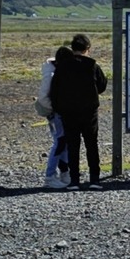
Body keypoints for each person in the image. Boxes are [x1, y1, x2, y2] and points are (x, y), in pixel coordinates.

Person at [49, 33, 108, 188]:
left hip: (68, 112)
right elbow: (102, 85)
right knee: (91, 144)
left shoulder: (62, 67)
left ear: (72, 48)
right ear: (87, 48)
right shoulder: (93, 66)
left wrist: (58, 108)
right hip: (89, 112)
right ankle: (94, 179)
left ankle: (74, 180)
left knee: (73, 146)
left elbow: (54, 90)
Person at [36, 45, 74, 189]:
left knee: (63, 142)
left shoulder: (54, 70)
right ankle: (50, 176)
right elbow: (43, 96)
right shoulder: (51, 75)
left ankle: (64, 173)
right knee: (60, 142)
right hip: (56, 113)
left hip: (57, 112)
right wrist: (54, 110)